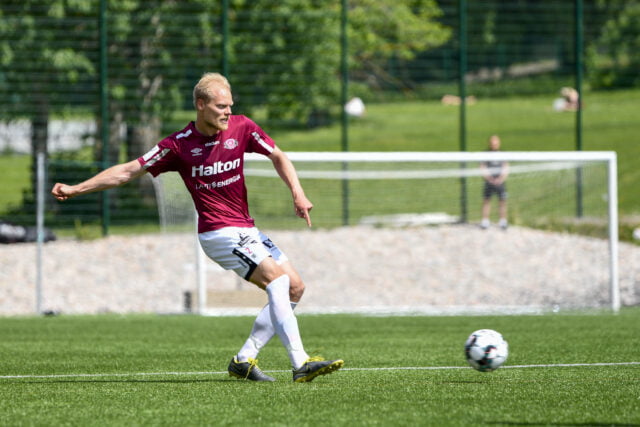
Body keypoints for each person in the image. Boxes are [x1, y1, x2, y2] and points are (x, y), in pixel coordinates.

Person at [51, 72, 343, 383]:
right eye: (221, 106)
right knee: (278, 281)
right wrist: (76, 188)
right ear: (201, 105)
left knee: (295, 286)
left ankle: (244, 360)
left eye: (230, 105)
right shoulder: (178, 145)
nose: (228, 112)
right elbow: (127, 171)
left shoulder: (242, 127)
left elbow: (278, 155)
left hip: (246, 229)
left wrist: (297, 193)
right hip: (218, 233)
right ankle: (300, 363)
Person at [480, 135, 509, 230]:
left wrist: (500, 179)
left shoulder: (503, 154)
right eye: (492, 143)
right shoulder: (485, 154)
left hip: (500, 182)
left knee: (502, 201)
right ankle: (485, 221)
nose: (494, 145)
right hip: (489, 181)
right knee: (486, 200)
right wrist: (489, 178)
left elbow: (506, 167)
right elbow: (482, 167)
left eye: (496, 143)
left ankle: (503, 221)